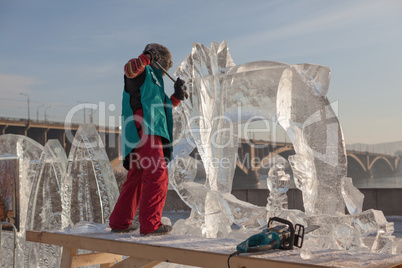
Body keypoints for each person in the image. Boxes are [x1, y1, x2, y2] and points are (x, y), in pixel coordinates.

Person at [109, 43, 187, 235]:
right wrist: (146, 57)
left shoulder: (155, 83)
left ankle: (120, 222)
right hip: (146, 129)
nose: (165, 71)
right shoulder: (141, 70)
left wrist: (177, 96)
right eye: (166, 66)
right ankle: (151, 224)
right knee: (157, 173)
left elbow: (164, 107)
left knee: (136, 177)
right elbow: (129, 69)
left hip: (139, 133)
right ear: (158, 60)